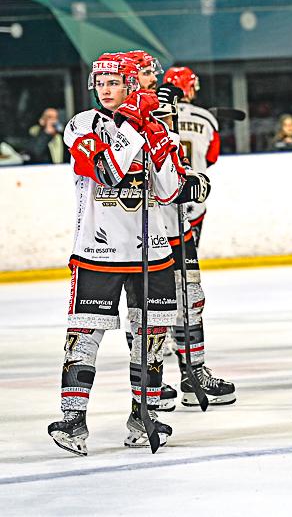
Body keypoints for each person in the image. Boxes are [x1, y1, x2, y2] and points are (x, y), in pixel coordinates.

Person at [48, 52, 182, 455]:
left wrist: (159, 139)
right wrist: (132, 124)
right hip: (97, 250)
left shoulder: (154, 127)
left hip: (151, 252)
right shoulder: (82, 125)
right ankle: (73, 421)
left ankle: (143, 416)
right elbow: (108, 170)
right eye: (100, 83)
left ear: (130, 85)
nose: (105, 90)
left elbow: (169, 191)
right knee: (82, 338)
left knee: (150, 340)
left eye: (114, 83)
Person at [126, 50, 237, 410]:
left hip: (177, 224)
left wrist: (190, 179)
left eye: (152, 72)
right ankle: (149, 383)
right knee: (145, 309)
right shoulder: (117, 120)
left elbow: (180, 164)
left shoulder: (166, 109)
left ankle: (193, 374)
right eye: (145, 73)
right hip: (139, 230)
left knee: (191, 299)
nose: (153, 79)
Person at [163, 66, 221, 247]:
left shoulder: (154, 116)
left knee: (163, 258)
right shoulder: (207, 118)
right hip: (195, 194)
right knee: (190, 255)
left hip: (163, 196)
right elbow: (211, 157)